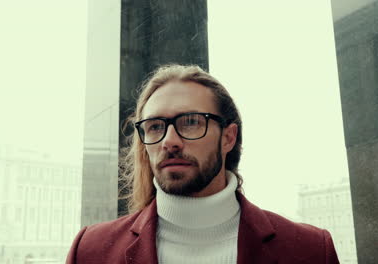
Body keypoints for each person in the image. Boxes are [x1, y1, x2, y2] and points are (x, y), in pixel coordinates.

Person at [66, 64, 340, 264]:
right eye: (155, 126)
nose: (169, 141)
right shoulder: (90, 251)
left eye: (191, 122)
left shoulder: (312, 251)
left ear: (228, 137)